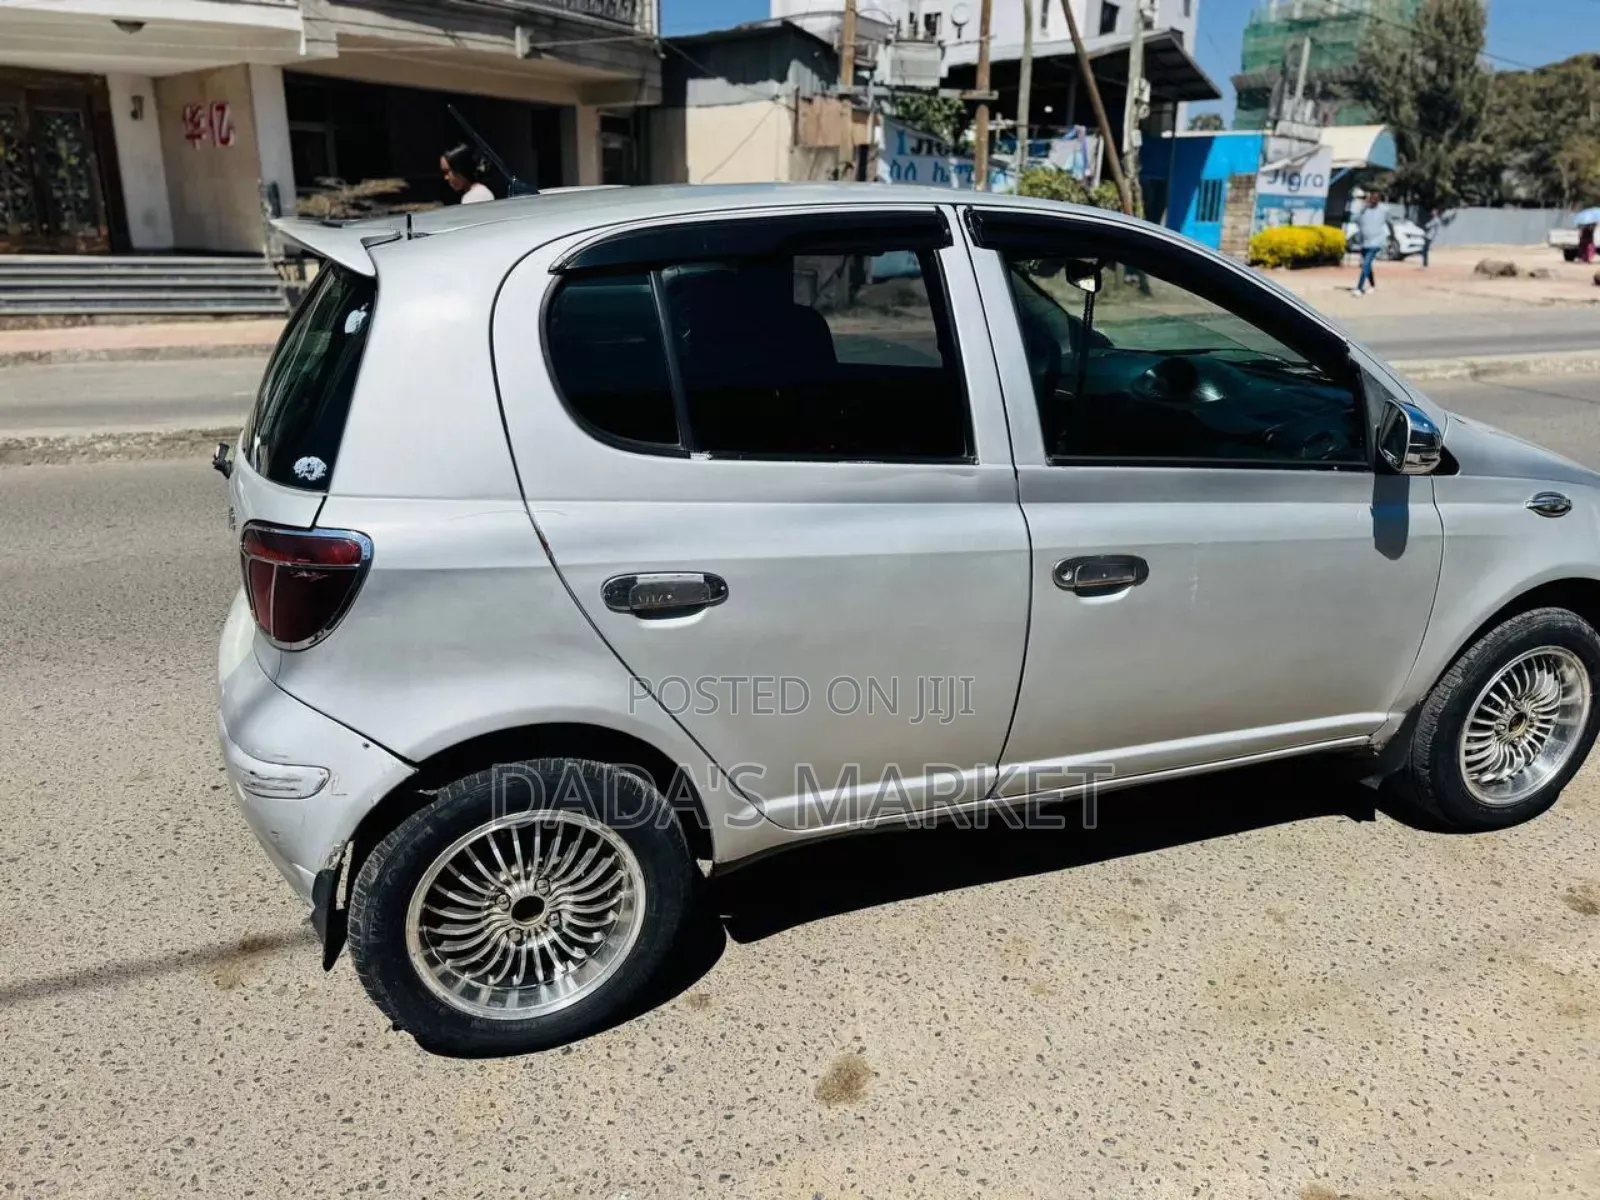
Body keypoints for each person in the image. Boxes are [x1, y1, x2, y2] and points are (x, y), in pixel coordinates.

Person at [1353, 192, 1388, 297]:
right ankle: (1372, 285)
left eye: (1375, 199)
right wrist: (1362, 210)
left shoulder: (1383, 210)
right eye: (1371, 199)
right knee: (1367, 266)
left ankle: (1359, 288)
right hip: (1365, 242)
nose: (1373, 200)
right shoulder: (1364, 210)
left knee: (1365, 264)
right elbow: (1356, 220)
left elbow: (1391, 219)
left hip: (1376, 242)